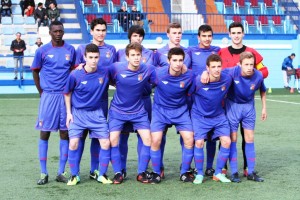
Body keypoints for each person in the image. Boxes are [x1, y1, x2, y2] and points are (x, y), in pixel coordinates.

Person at [218, 22, 268, 176]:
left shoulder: (251, 52)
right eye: (233, 33)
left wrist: (250, 79)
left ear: (243, 34)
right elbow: (217, 71)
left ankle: (247, 168)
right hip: (228, 102)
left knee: (247, 137)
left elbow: (264, 70)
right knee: (227, 136)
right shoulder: (222, 52)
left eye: (239, 32)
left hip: (247, 101)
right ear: (229, 34)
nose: (236, 35)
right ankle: (225, 167)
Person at [31, 21, 76, 185]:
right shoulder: (42, 51)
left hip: (65, 97)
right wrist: (41, 92)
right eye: (55, 31)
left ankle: (61, 172)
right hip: (48, 96)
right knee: (45, 132)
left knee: (65, 133)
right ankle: (44, 173)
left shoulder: (70, 50)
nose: (58, 33)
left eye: (61, 31)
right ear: (50, 32)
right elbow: (35, 71)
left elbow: (73, 70)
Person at [75, 17, 117, 182]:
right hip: (83, 100)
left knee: (97, 136)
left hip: (101, 99)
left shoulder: (111, 50)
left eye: (103, 30)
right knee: (80, 136)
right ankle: (75, 171)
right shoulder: (81, 48)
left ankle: (94, 169)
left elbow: (114, 73)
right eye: (97, 30)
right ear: (91, 31)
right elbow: (75, 70)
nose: (101, 33)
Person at [64, 43, 112, 185]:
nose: (93, 60)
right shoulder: (75, 74)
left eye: (96, 57)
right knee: (73, 143)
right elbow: (67, 93)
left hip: (96, 113)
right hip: (78, 114)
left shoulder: (105, 72)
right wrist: (68, 113)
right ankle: (74, 175)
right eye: (90, 57)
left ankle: (101, 174)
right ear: (84, 57)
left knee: (105, 142)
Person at [108, 43, 155, 184]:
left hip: (138, 111)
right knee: (113, 140)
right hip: (118, 110)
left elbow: (165, 73)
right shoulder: (115, 68)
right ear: (127, 57)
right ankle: (118, 172)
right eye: (133, 55)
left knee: (148, 139)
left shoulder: (147, 69)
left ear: (142, 56)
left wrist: (183, 67)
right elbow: (106, 76)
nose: (136, 58)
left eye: (138, 55)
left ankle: (141, 173)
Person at [149, 47, 194, 184]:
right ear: (168, 61)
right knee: (155, 140)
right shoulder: (158, 74)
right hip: (160, 110)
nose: (178, 63)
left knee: (189, 139)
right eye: (174, 60)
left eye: (181, 60)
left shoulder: (189, 75)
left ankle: (184, 172)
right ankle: (156, 172)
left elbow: (194, 90)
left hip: (180, 111)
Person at [190, 54, 232, 184]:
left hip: (218, 116)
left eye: (219, 66)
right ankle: (199, 173)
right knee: (199, 143)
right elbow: (188, 94)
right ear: (207, 68)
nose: (216, 69)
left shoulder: (227, 78)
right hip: (200, 117)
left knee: (226, 141)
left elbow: (238, 69)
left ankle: (218, 172)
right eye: (213, 67)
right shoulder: (198, 81)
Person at [226, 52, 267, 183]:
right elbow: (215, 74)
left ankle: (251, 172)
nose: (249, 67)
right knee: (233, 138)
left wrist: (264, 107)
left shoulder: (258, 75)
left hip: (248, 107)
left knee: (249, 138)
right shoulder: (231, 72)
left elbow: (263, 90)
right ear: (240, 64)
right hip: (233, 106)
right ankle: (233, 172)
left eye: (251, 64)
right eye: (246, 64)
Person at [187, 25, 220, 177]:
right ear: (198, 37)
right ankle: (190, 164)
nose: (207, 39)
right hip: (195, 99)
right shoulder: (191, 51)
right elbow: (186, 73)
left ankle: (209, 166)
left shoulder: (217, 50)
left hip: (213, 100)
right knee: (192, 134)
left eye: (209, 36)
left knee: (212, 135)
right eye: (204, 36)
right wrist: (200, 75)